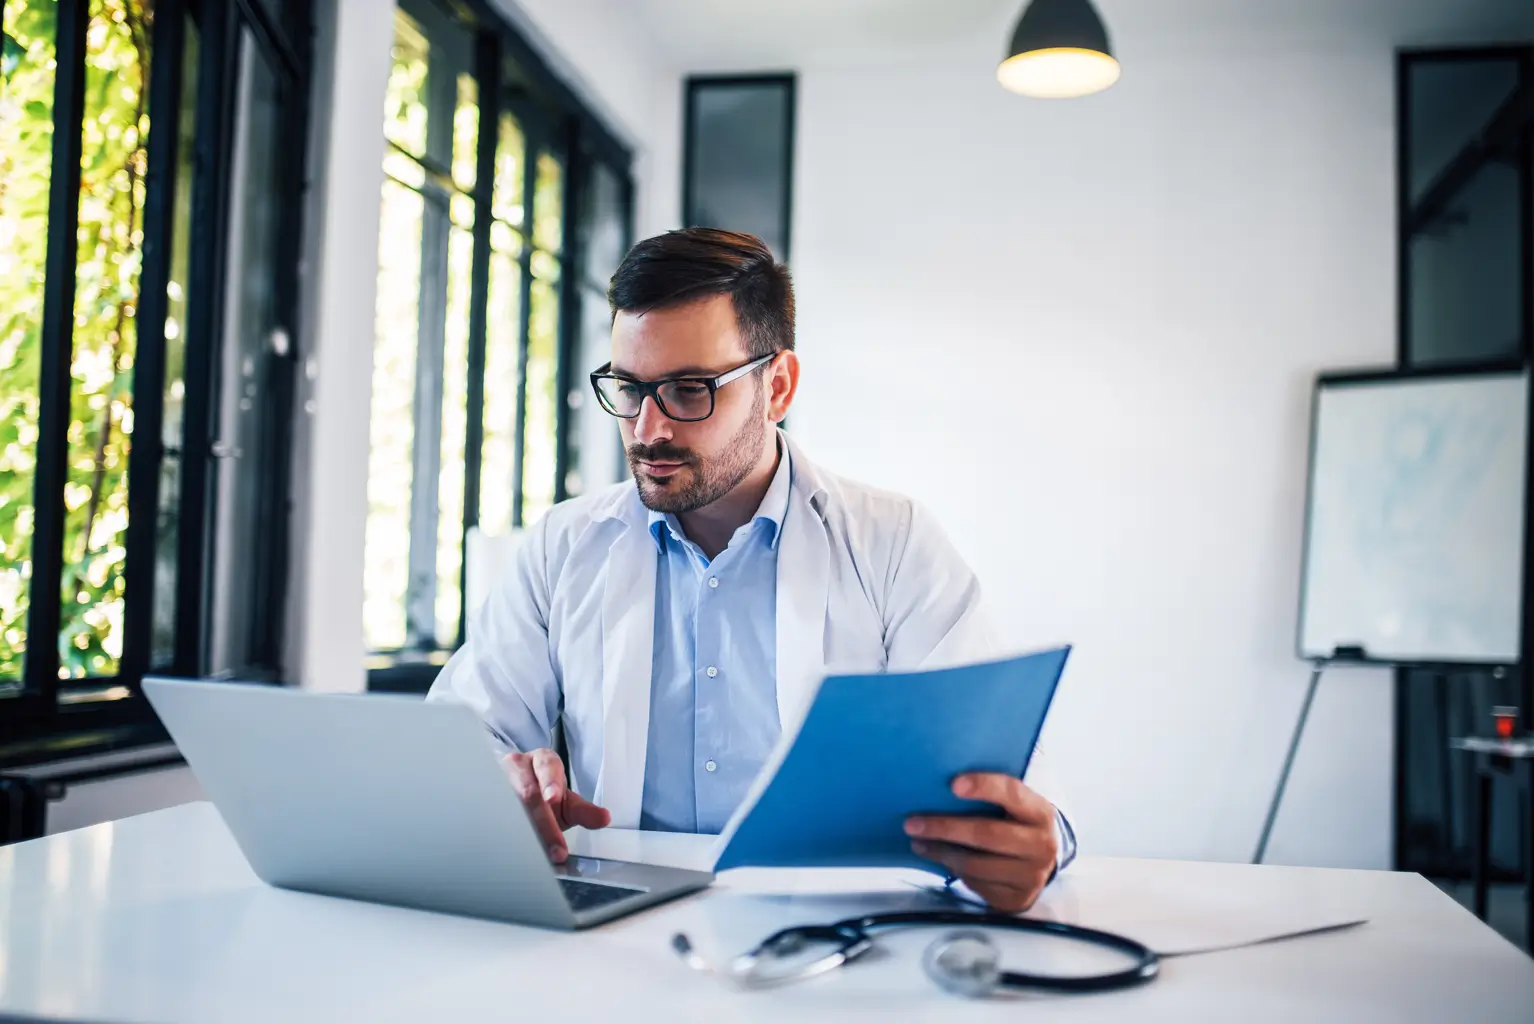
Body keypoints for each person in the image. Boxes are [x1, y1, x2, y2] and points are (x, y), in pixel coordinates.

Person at [429, 228, 1075, 911]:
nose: (648, 429)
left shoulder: (891, 542)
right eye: (629, 388)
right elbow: (463, 736)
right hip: (614, 931)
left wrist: (1040, 842)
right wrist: (496, 781)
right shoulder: (562, 547)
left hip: (830, 929)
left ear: (779, 386)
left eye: (689, 389)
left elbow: (1007, 768)